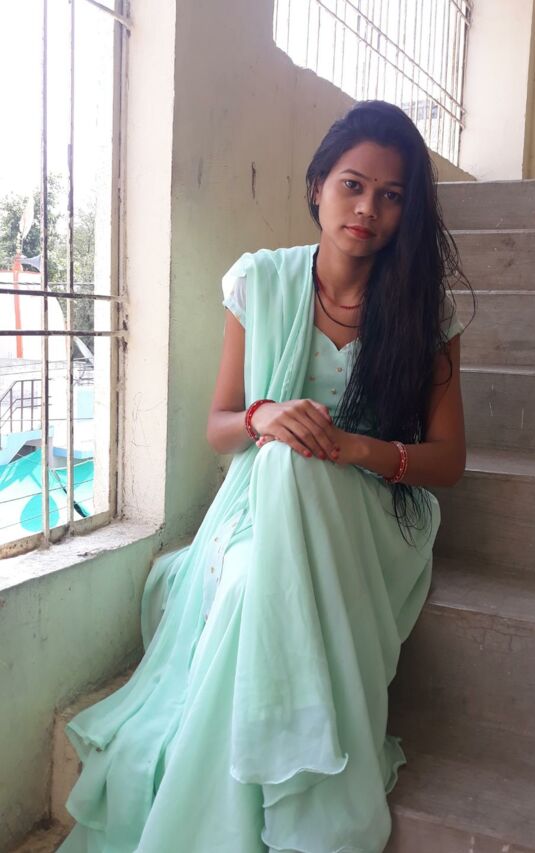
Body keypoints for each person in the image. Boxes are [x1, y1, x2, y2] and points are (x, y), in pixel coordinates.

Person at [58, 100, 473, 853]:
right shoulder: (262, 282)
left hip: (375, 512)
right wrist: (265, 415)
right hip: (261, 509)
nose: (367, 209)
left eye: (390, 196)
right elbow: (220, 425)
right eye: (352, 185)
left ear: (406, 211)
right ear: (318, 186)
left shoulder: (422, 313)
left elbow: (447, 460)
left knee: (293, 474)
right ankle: (294, 795)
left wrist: (355, 449)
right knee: (258, 552)